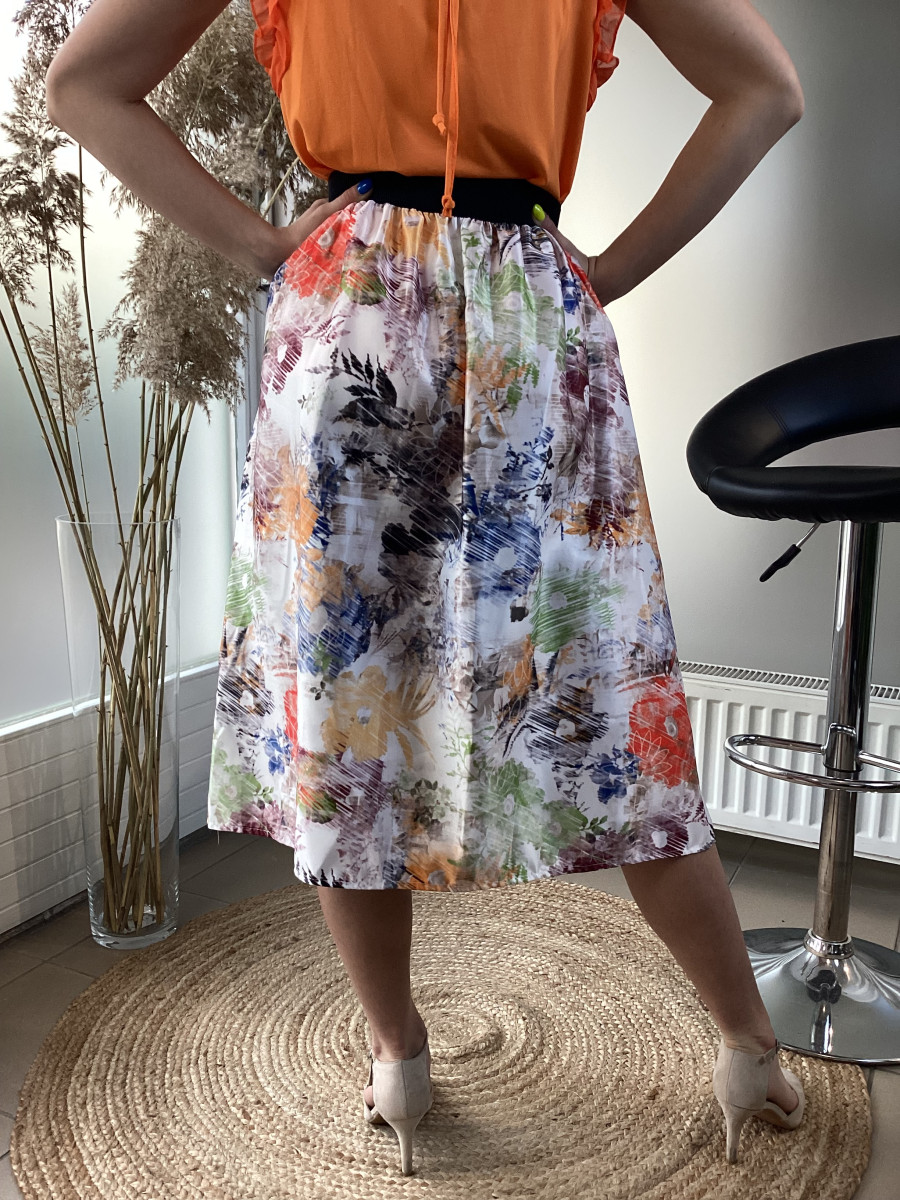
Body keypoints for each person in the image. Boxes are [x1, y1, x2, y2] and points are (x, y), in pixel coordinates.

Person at [46, 0, 806, 1179]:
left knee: (353, 721)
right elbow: (766, 89)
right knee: (607, 701)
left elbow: (83, 83)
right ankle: (747, 1047)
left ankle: (397, 1056)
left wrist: (266, 246)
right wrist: (604, 271)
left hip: (348, 317)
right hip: (528, 326)